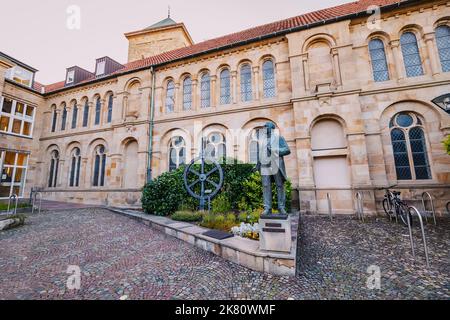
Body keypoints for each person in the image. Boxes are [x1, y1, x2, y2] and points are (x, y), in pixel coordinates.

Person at [256, 122, 291, 215]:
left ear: (271, 128)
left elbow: (287, 150)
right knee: (266, 186)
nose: (264, 128)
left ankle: (281, 207)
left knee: (279, 185)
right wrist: (257, 164)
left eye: (266, 126)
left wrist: (275, 150)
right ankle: (267, 208)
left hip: (276, 165)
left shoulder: (279, 138)